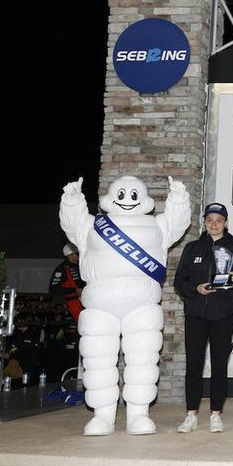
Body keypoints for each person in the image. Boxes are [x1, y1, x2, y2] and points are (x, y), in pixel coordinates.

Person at [59, 174, 191, 436]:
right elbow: (73, 225)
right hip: (99, 305)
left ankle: (138, 414)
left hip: (142, 305)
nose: (127, 200)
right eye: (121, 194)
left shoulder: (156, 226)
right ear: (110, 198)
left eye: (133, 195)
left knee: (143, 360)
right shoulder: (94, 226)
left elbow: (176, 222)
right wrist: (72, 199)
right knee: (98, 360)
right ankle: (102, 416)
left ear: (143, 200)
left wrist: (179, 197)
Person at [173, 203, 233, 434]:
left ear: (225, 223)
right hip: (195, 314)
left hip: (222, 314)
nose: (214, 224)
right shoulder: (193, 247)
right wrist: (196, 288)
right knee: (193, 366)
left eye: (219, 220)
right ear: (204, 222)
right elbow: (179, 281)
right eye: (210, 220)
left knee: (219, 366)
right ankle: (191, 414)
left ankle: (216, 414)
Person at [47, 243, 86, 382]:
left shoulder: (82, 264)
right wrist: (73, 291)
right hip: (74, 302)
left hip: (87, 300)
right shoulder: (62, 269)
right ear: (69, 255)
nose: (78, 255)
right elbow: (53, 288)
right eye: (75, 253)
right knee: (84, 327)